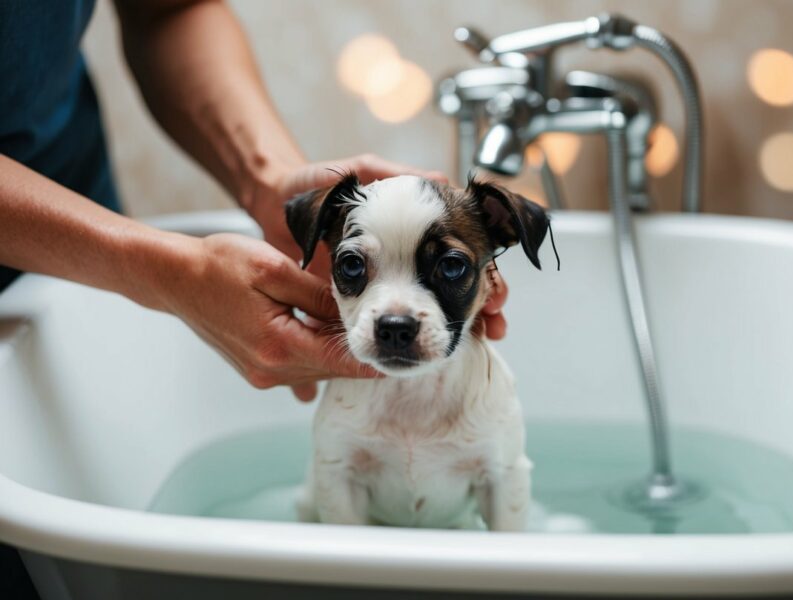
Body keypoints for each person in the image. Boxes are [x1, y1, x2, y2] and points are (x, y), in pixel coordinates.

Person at [0, 2, 507, 596]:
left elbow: (166, 9)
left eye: (448, 267)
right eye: (355, 268)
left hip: (64, 189)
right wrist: (164, 269)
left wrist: (268, 177)